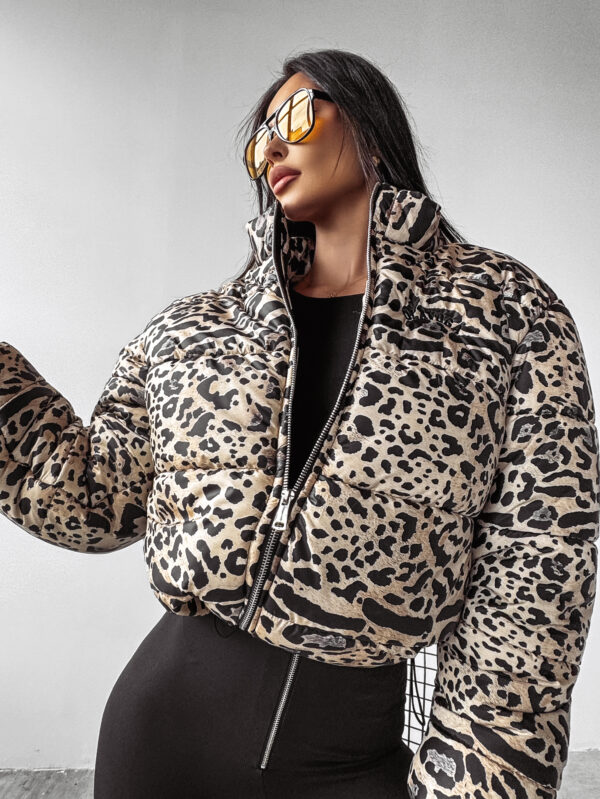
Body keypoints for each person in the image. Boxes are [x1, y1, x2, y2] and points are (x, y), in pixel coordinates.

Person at [0, 48, 597, 799]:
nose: (271, 147)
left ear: (368, 121)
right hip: (163, 738)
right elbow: (94, 500)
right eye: (259, 141)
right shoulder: (193, 330)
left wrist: (479, 772)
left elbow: (540, 559)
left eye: (294, 116)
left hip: (352, 759)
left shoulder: (503, 313)